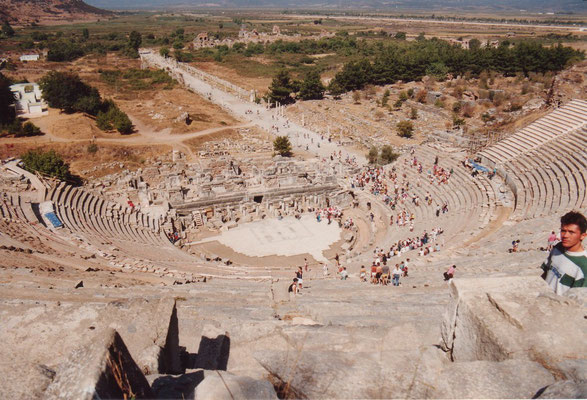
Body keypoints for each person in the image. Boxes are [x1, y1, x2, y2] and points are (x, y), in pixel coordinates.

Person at [541, 211, 587, 295]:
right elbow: (545, 273)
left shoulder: (584, 266)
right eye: (563, 231)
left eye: (571, 232)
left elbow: (578, 300)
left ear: (582, 236)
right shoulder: (558, 247)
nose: (565, 235)